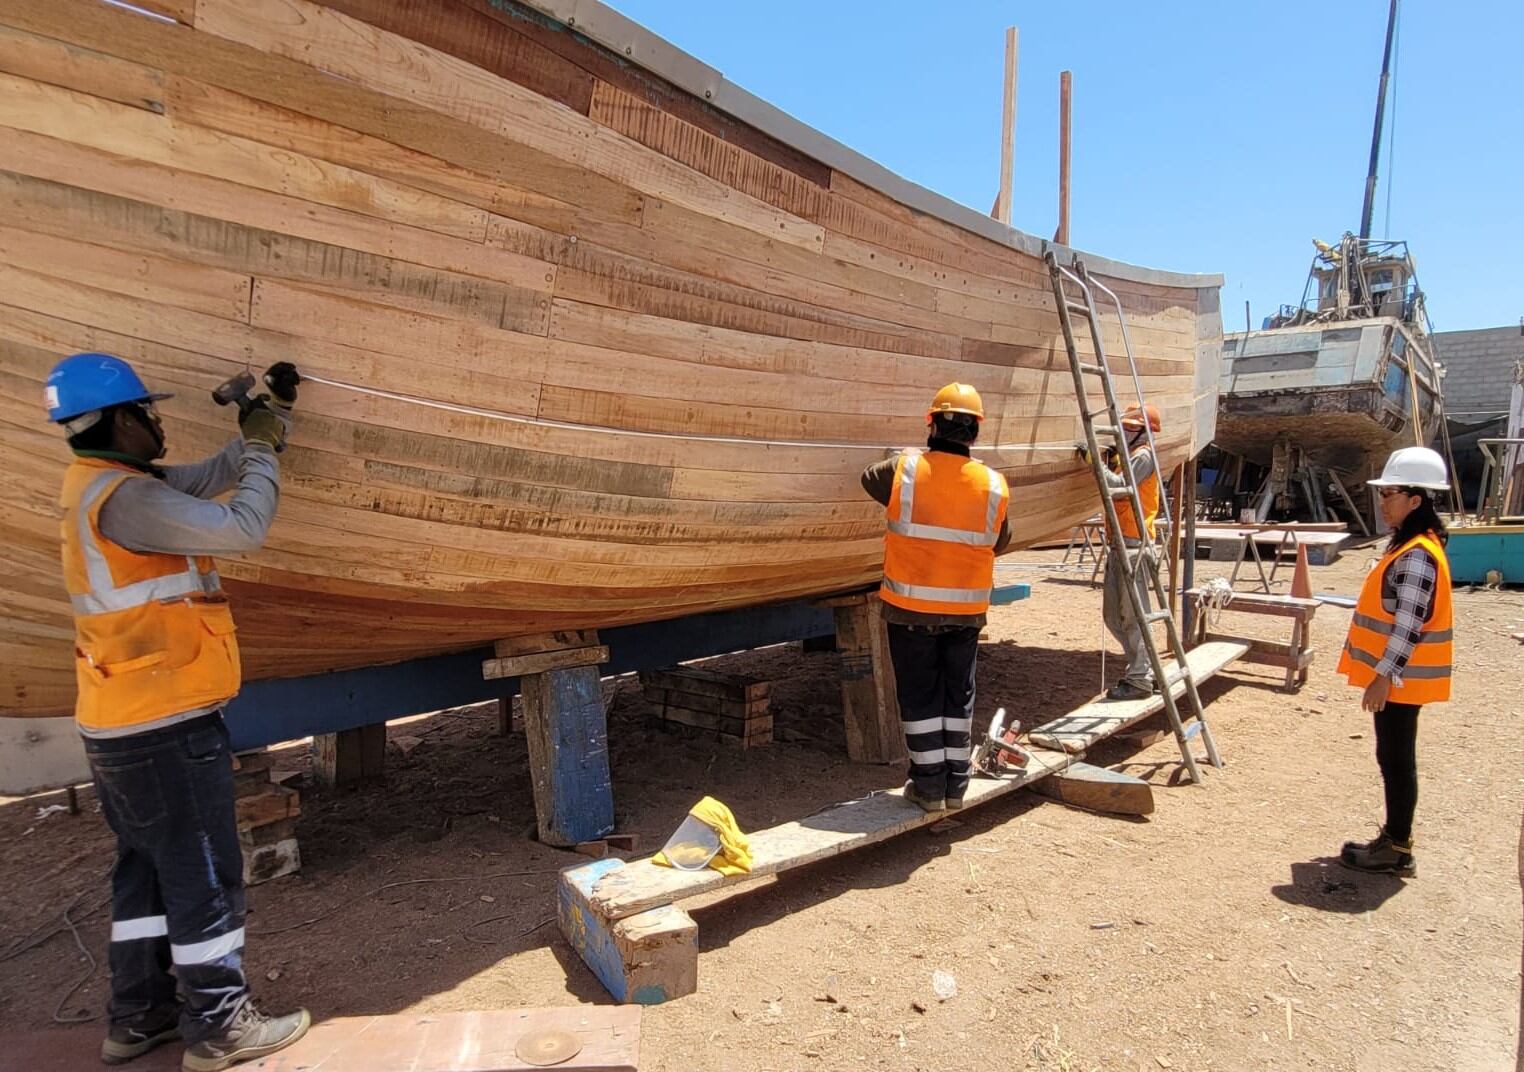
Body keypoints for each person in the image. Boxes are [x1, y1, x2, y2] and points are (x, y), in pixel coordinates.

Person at [45, 353, 310, 1071]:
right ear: (121, 420)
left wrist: (268, 420)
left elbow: (206, 478)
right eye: (148, 413)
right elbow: (243, 524)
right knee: (202, 874)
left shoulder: (106, 486)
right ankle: (222, 1026)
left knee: (147, 873)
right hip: (165, 722)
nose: (158, 424)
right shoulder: (132, 502)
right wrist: (259, 447)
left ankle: (137, 1018)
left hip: (118, 720)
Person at [861, 383, 1010, 812]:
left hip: (911, 610)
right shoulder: (994, 484)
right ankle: (956, 787)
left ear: (931, 423)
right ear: (975, 432)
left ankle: (927, 787)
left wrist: (909, 456)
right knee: (956, 697)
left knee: (921, 697)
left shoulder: (904, 471)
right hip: (965, 613)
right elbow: (999, 541)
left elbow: (868, 477)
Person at [1336, 446, 1454, 877]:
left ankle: (1397, 846)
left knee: (1396, 759)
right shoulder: (1413, 544)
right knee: (1393, 756)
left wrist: (1384, 676)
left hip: (1402, 682)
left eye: (1390, 494)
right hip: (1403, 680)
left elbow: (1408, 625)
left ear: (1416, 500)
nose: (1383, 501)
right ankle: (1394, 838)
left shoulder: (1418, 554)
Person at [1081, 402, 1162, 701]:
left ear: (1143, 432)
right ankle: (1146, 670)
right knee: (1114, 616)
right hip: (1120, 544)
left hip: (1134, 546)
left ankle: (1140, 677)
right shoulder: (1130, 457)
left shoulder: (1144, 456)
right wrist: (1110, 461)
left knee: (1133, 615)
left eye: (1128, 428)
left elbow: (1118, 487)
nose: (1122, 433)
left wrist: (1095, 462)